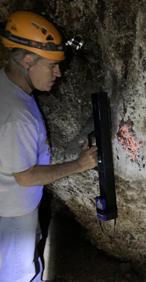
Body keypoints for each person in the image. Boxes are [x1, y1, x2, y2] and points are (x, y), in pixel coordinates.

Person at [0, 11, 97, 282]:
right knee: (17, 275)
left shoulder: (7, 86)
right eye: (52, 65)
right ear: (28, 60)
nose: (58, 73)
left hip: (10, 209)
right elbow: (25, 176)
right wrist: (78, 165)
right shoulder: (15, 117)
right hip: (12, 218)